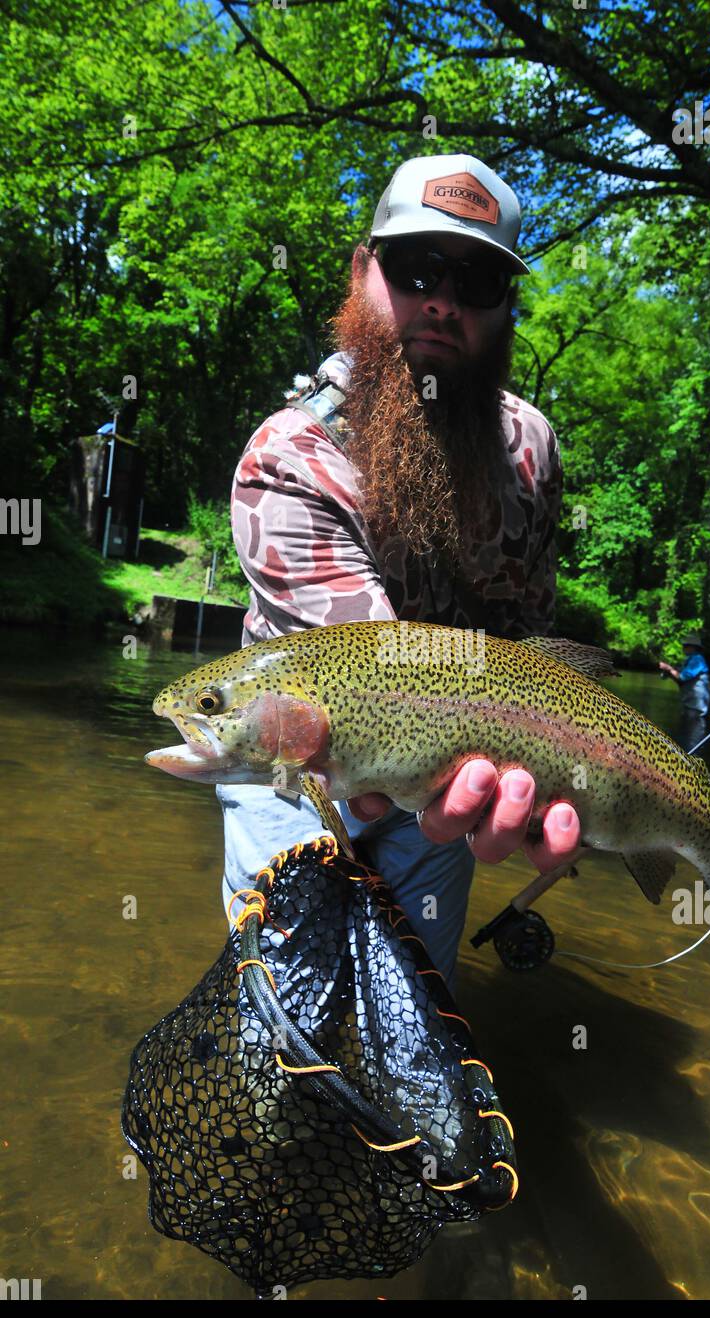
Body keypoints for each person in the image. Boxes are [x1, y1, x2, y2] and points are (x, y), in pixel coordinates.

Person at [219, 153, 579, 991]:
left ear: (504, 307)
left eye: (478, 280)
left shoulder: (530, 449)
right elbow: (366, 691)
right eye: (416, 268)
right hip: (291, 764)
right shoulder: (290, 454)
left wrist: (568, 779)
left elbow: (531, 651)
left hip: (453, 781)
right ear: (362, 271)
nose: (443, 301)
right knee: (289, 1018)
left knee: (416, 1000)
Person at [658, 633, 710, 752]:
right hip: (690, 706)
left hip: (696, 708)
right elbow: (681, 682)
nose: (684, 648)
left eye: (686, 645)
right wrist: (669, 672)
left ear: (693, 647)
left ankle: (692, 761)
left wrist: (669, 669)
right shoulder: (690, 661)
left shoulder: (697, 660)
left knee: (692, 741)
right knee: (685, 740)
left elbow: (683, 677)